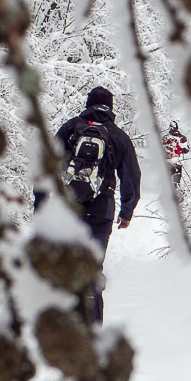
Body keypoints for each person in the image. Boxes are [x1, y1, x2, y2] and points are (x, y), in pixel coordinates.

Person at [56, 86, 141, 323]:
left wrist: (41, 203)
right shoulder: (118, 136)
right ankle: (93, 330)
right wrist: (126, 211)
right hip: (101, 213)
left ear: (87, 104)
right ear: (111, 108)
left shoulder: (71, 128)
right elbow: (131, 176)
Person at [163, 120, 189, 188]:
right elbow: (186, 150)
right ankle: (177, 193)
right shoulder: (182, 138)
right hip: (177, 161)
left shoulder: (165, 137)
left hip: (167, 162)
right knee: (176, 181)